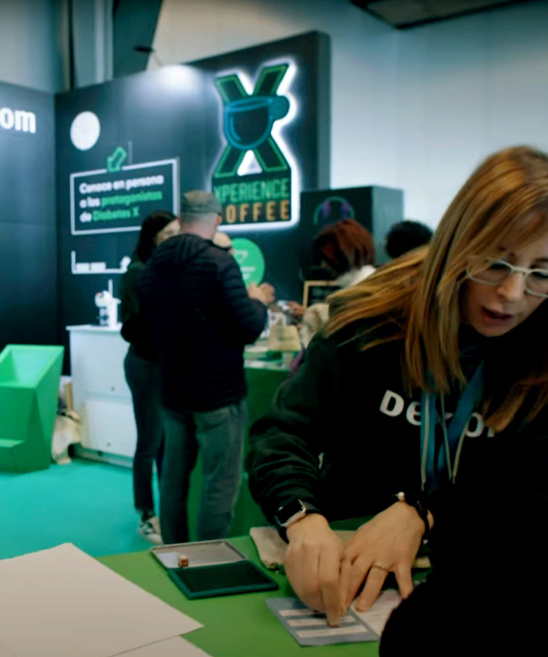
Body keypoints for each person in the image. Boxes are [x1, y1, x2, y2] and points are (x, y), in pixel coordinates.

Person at [246, 146, 548, 647]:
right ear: (460, 243)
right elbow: (283, 433)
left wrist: (423, 511)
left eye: (544, 273)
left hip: (482, 575)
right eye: (496, 262)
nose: (512, 293)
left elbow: (539, 483)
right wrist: (303, 520)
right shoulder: (369, 321)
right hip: (349, 571)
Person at [139, 191, 273, 545]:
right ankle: (210, 558)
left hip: (174, 391)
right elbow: (248, 326)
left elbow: (146, 329)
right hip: (219, 394)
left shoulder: (153, 265)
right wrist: (258, 301)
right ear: (216, 221)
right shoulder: (219, 262)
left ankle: (175, 553)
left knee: (173, 479)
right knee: (220, 482)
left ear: (181, 220)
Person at [120, 210, 179, 544]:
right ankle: (146, 514)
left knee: (165, 443)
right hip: (145, 366)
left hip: (163, 367)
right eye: (167, 234)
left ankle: (165, 511)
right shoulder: (138, 272)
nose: (173, 240)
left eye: (176, 233)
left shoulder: (165, 269)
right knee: (149, 442)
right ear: (152, 238)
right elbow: (132, 327)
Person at [299, 219, 376, 343]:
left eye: (327, 259)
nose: (324, 265)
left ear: (345, 253)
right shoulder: (370, 281)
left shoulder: (361, 291)